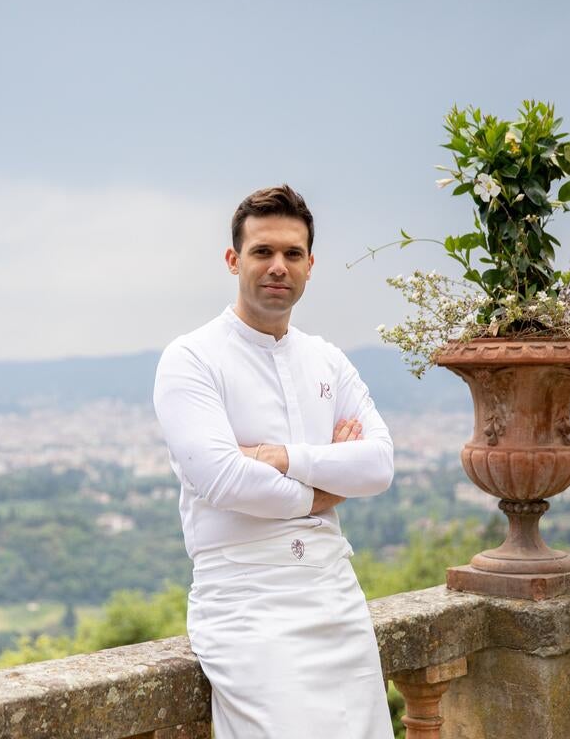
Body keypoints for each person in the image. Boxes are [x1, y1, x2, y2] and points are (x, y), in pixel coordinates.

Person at [153, 184, 395, 738]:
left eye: (292, 253)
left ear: (311, 265)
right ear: (233, 260)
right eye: (262, 251)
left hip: (336, 593)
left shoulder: (327, 359)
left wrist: (280, 457)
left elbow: (379, 464)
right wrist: (327, 484)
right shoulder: (191, 358)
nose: (278, 266)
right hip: (246, 603)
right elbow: (224, 479)